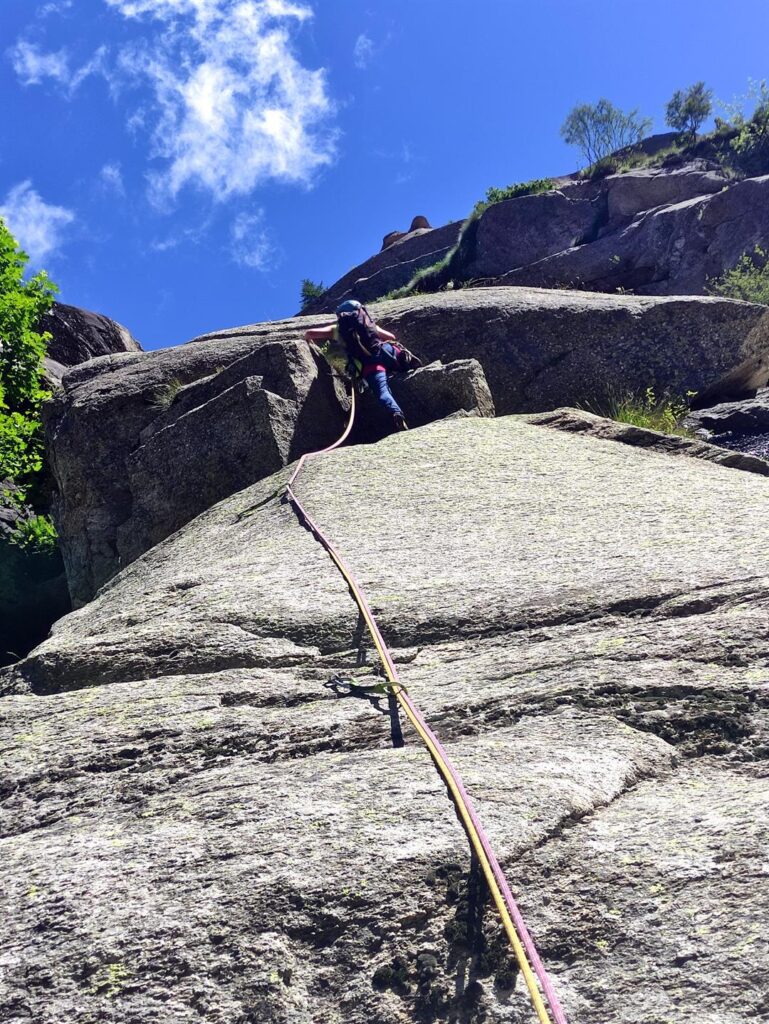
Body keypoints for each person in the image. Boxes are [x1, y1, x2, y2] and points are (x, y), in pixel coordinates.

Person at [304, 299, 421, 432]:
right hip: (386, 353)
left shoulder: (337, 328)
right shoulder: (368, 322)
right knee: (394, 350)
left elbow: (309, 333)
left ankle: (396, 412)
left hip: (370, 365)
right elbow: (392, 336)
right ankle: (405, 361)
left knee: (381, 391)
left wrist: (311, 343)